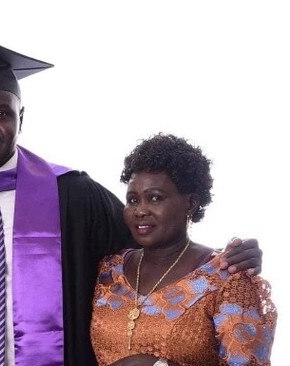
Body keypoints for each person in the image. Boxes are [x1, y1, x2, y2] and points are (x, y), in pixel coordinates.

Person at [0, 42, 262, 366]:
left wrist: (223, 262)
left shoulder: (72, 194)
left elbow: (152, 237)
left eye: (1, 113)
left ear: (21, 117)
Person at [90, 133, 276, 365]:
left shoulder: (228, 279)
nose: (140, 211)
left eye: (155, 198)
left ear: (190, 203)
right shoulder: (108, 272)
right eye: (133, 200)